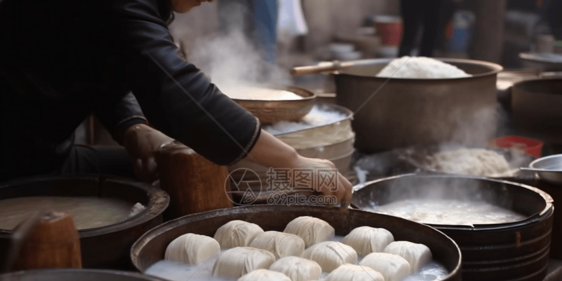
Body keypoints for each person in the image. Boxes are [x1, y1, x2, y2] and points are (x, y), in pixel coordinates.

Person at [0, 0, 352, 204]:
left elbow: (109, 63)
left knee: (192, 173)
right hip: (17, 168)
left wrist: (132, 127)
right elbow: (180, 94)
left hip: (47, 155)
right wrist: (293, 161)